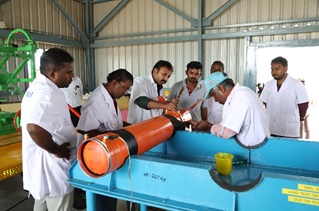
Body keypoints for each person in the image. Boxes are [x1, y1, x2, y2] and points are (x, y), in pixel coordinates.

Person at [20, 48, 76, 211]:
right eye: (68, 72)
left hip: (40, 169)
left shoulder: (36, 87)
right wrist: (57, 150)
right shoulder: (48, 94)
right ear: (52, 73)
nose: (72, 76)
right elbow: (33, 129)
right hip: (53, 169)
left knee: (41, 205)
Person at [76, 68, 133, 211]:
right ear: (114, 82)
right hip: (96, 156)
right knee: (101, 200)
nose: (125, 93)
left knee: (109, 195)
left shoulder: (110, 98)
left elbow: (116, 123)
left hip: (108, 155)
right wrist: (114, 136)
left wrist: (133, 128)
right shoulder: (96, 101)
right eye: (124, 88)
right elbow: (86, 131)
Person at [193, 72, 269, 148]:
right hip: (252, 146)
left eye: (214, 95)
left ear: (221, 88)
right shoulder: (241, 93)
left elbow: (227, 132)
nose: (215, 100)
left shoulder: (241, 97)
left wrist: (208, 126)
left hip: (254, 148)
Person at [259, 56, 309, 138]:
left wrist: (296, 119)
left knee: (290, 150)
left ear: (286, 68)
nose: (274, 72)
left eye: (277, 69)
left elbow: (303, 105)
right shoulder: (268, 85)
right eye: (272, 69)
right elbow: (264, 103)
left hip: (289, 129)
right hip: (271, 128)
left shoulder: (296, 85)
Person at [128, 60, 178, 124]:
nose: (166, 79)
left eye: (168, 76)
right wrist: (165, 105)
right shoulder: (141, 81)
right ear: (155, 71)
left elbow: (161, 107)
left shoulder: (160, 89)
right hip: (138, 127)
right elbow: (141, 101)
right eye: (164, 74)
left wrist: (170, 104)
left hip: (153, 127)